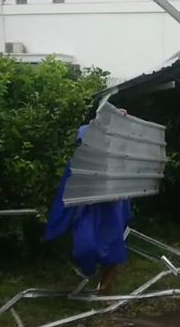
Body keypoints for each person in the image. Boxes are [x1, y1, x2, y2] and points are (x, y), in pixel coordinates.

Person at [45, 125, 131, 294]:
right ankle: (91, 273)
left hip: (110, 211)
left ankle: (106, 290)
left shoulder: (115, 161)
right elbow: (66, 191)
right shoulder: (77, 163)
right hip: (87, 210)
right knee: (84, 249)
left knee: (111, 252)